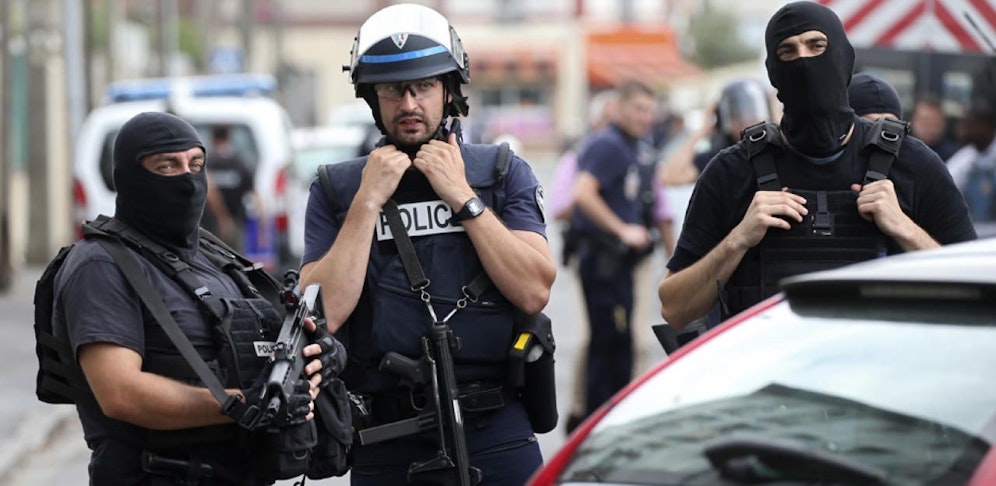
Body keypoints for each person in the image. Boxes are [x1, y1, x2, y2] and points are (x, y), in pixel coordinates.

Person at [300, 4, 556, 485]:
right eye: (394, 90)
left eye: (423, 87)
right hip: (385, 435)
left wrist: (462, 196)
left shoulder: (500, 172)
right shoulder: (337, 189)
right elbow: (320, 315)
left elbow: (533, 290)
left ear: (449, 91)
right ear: (374, 100)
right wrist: (366, 202)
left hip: (496, 427)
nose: (410, 103)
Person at [50, 112, 346, 484]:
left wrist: (320, 355)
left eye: (196, 164)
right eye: (167, 165)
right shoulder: (101, 265)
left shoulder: (214, 256)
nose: (188, 179)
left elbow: (262, 345)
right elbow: (120, 392)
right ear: (128, 176)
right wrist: (239, 404)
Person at [658, 1, 977, 331]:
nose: (804, 62)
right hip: (770, 375)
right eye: (788, 51)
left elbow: (976, 288)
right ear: (773, 71)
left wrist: (904, 228)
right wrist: (738, 239)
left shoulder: (912, 163)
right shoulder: (732, 171)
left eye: (816, 45)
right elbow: (675, 309)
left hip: (883, 376)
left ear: (842, 56)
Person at [571, 79, 671, 421]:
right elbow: (582, 194)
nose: (645, 117)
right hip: (603, 259)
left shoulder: (634, 146)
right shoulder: (609, 145)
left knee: (621, 343)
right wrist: (622, 229)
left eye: (649, 111)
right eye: (639, 109)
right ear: (620, 108)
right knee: (608, 345)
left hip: (623, 263)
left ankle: (610, 417)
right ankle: (597, 421)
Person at [659, 78, 773, 186]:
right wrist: (702, 130)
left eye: (751, 113)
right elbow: (669, 176)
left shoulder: (779, 146)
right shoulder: (720, 158)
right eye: (738, 116)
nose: (747, 121)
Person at [202, 125, 259, 252]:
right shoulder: (239, 162)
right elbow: (255, 194)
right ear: (228, 138)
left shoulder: (207, 162)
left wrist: (222, 218)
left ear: (213, 139)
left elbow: (210, 193)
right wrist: (261, 227)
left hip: (212, 224)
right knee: (237, 261)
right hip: (236, 221)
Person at [947, 97, 996, 224]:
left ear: (987, 127)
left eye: (969, 124)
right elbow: (944, 188)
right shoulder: (964, 159)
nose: (962, 130)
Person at [911, 94, 961, 161]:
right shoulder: (900, 150)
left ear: (943, 123)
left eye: (934, 122)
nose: (928, 127)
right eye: (924, 121)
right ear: (912, 121)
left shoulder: (956, 156)